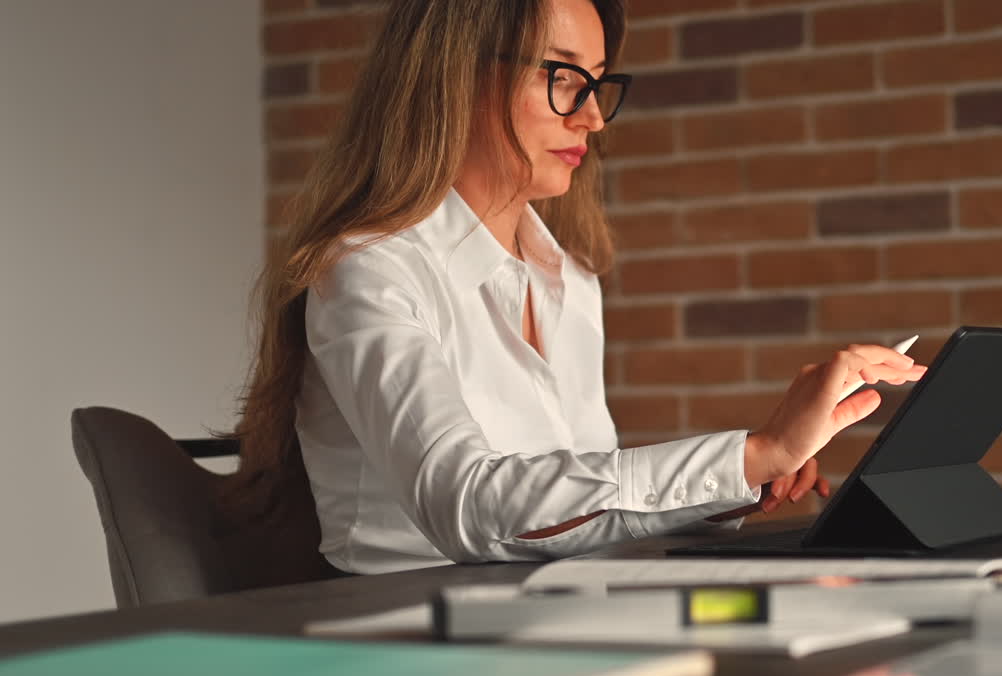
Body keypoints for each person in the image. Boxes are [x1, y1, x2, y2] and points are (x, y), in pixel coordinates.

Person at [230, 0, 925, 573]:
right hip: (408, 632)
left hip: (559, 607)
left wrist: (738, 484)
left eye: (596, 82)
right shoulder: (370, 269)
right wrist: (754, 452)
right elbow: (468, 507)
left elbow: (572, 504)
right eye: (563, 77)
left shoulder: (570, 278)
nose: (590, 115)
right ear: (454, 75)